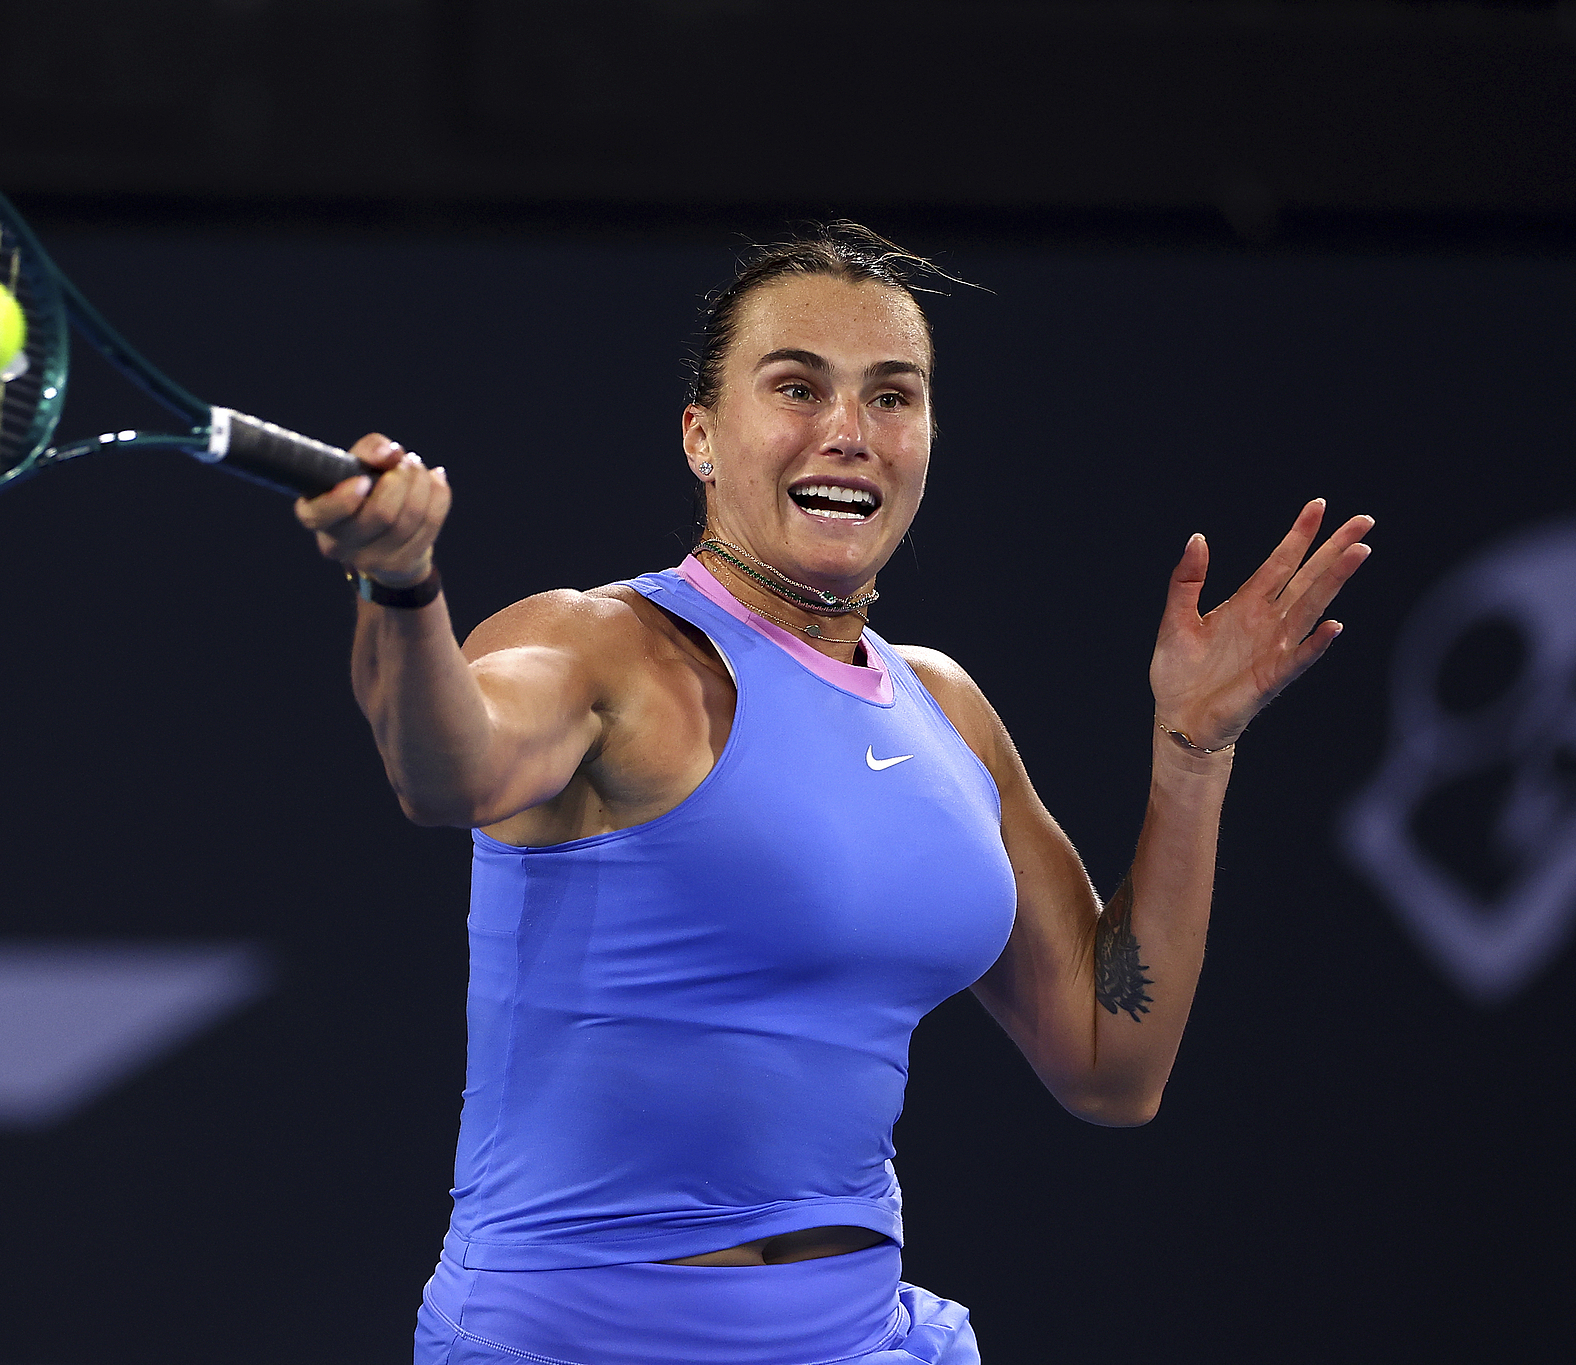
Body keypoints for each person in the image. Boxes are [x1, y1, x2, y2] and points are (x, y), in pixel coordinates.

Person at [294, 223, 1372, 1365]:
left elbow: (1112, 1063)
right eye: (797, 388)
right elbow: (444, 769)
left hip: (851, 1339)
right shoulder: (596, 644)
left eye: (891, 397)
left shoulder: (945, 708)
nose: (848, 434)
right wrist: (402, 587)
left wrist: (1191, 750)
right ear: (702, 438)